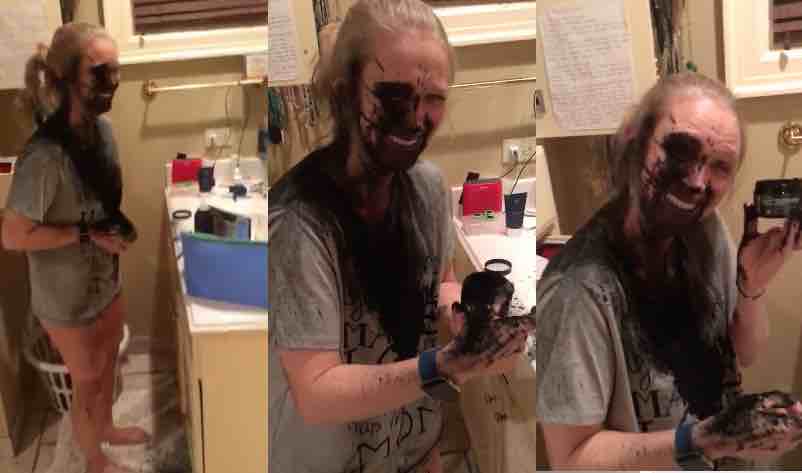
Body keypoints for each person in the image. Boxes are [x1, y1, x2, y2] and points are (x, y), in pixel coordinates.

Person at [267, 1, 528, 472]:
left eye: (434, 99)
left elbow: (441, 281)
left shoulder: (426, 186)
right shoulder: (297, 221)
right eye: (393, 95)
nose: (414, 117)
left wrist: (467, 321)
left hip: (412, 450)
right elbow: (316, 393)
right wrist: (446, 366)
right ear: (346, 91)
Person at [535, 72, 802, 470]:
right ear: (634, 140)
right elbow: (570, 458)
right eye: (679, 149)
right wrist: (708, 439)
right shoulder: (577, 288)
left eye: (720, 166)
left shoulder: (704, 229)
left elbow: (745, 353)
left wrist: (752, 287)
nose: (697, 181)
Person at [2, 23, 146, 473]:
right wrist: (86, 236)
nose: (114, 82)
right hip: (65, 300)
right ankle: (95, 461)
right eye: (100, 72)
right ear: (66, 78)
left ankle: (106, 429)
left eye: (116, 70)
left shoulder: (103, 133)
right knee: (86, 385)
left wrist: (111, 229)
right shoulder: (43, 158)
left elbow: (99, 206)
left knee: (108, 367)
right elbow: (12, 236)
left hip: (105, 282)